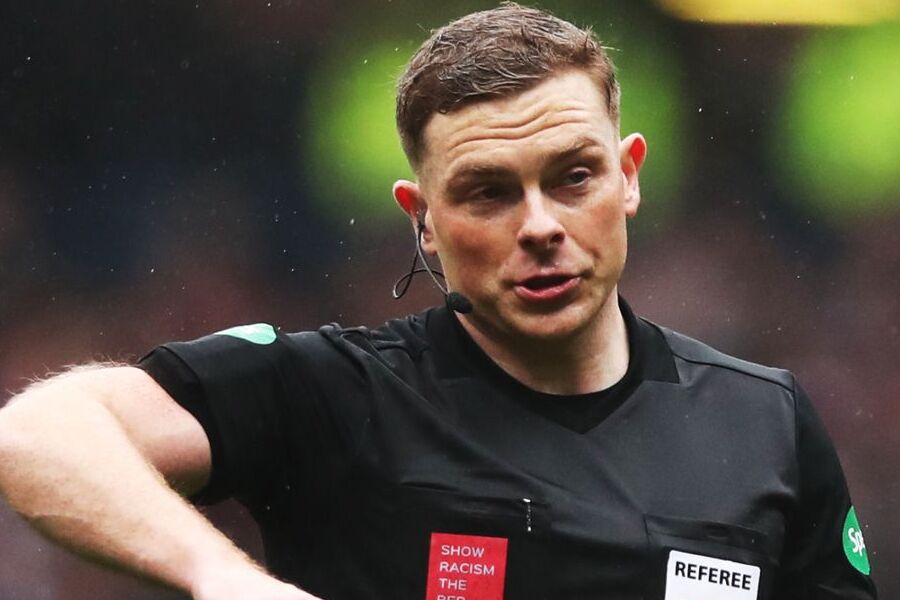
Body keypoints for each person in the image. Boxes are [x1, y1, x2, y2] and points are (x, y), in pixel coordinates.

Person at [0, 4, 878, 599]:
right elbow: (38, 434)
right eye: (488, 192)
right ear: (422, 222)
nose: (540, 225)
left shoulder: (765, 422)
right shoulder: (340, 397)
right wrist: (220, 575)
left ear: (629, 177)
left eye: (573, 177)